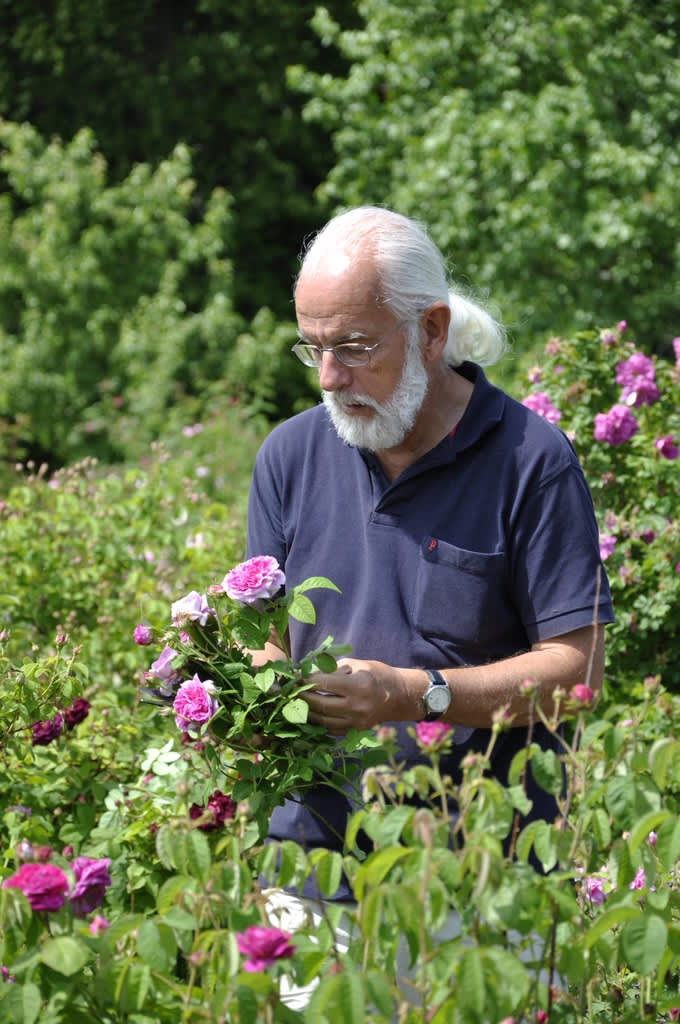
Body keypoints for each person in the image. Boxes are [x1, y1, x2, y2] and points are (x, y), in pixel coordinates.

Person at [245, 205, 614, 909]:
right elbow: (264, 643)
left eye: (353, 346)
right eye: (311, 348)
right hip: (311, 869)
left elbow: (578, 672)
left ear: (431, 330)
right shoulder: (289, 456)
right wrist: (240, 701)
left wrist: (415, 695)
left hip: (480, 877)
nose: (327, 376)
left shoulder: (530, 463)